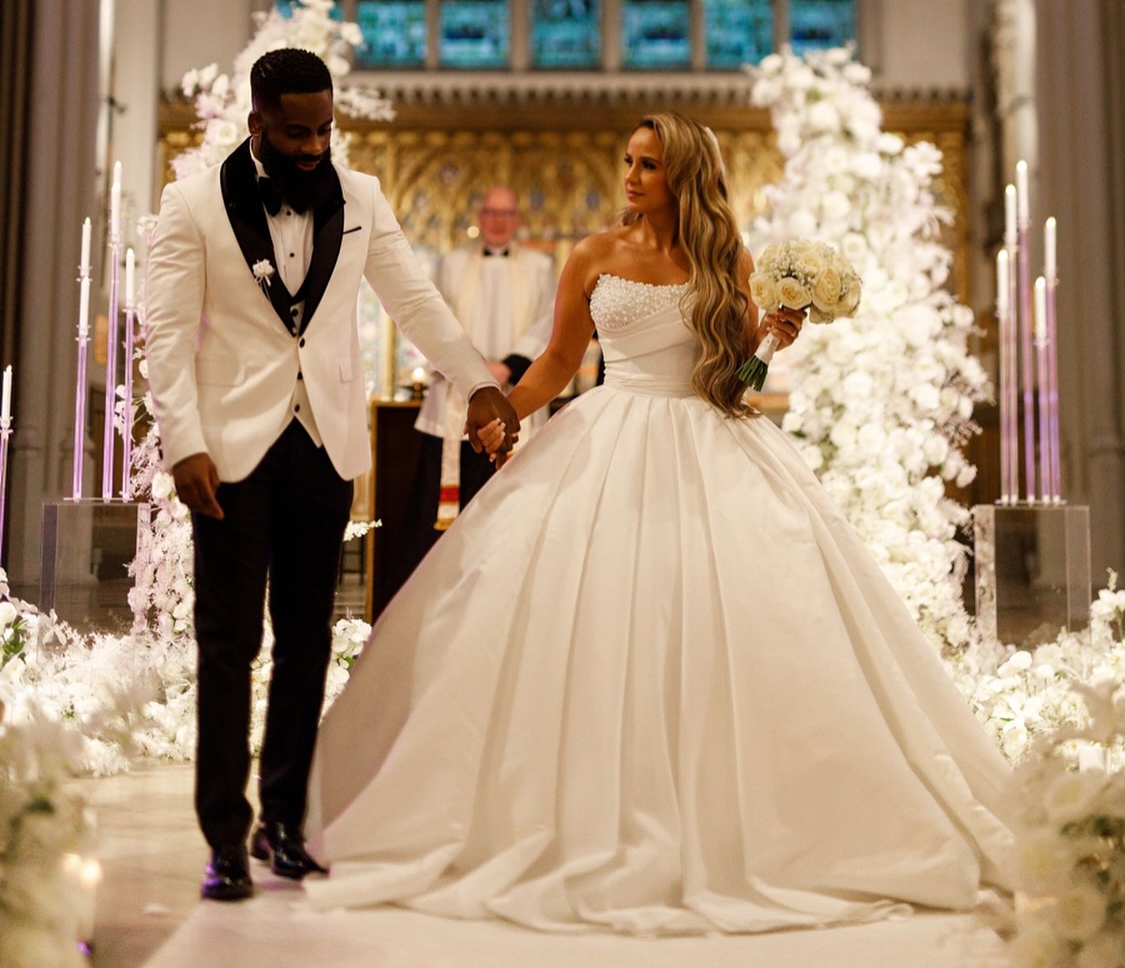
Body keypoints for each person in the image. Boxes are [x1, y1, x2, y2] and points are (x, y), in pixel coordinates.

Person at [303, 112, 1014, 935]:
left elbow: (734, 386)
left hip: (710, 445)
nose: (631, 177)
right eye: (628, 161)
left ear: (683, 176)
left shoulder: (728, 261)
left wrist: (769, 342)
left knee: (734, 617)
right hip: (605, 438)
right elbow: (560, 362)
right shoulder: (592, 254)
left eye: (648, 165)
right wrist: (504, 412)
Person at [143, 48, 519, 904]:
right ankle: (223, 836)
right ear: (256, 123)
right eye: (295, 133)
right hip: (228, 453)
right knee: (227, 644)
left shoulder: (362, 198)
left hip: (323, 447)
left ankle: (281, 820)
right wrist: (183, 442)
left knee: (307, 638)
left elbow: (414, 301)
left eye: (324, 131)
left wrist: (478, 384)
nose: (314, 147)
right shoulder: (192, 204)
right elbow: (165, 335)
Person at [408, 186, 555, 553]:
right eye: (491, 212)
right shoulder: (451, 264)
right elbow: (436, 320)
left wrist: (507, 367)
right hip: (456, 398)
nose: (498, 221)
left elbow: (548, 321)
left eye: (506, 213)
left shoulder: (540, 268)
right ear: (480, 217)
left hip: (517, 390)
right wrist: (472, 370)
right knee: (449, 516)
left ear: (518, 220)